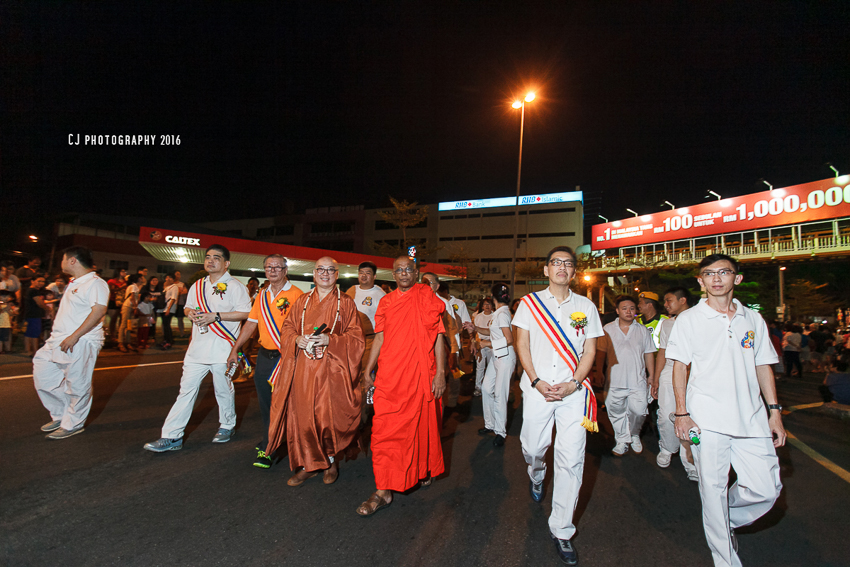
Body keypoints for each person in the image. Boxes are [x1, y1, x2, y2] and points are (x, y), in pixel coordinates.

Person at [666, 254, 785, 567]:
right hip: (707, 419)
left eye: (724, 272)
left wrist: (774, 413)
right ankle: (725, 559)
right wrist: (681, 412)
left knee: (766, 489)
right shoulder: (689, 319)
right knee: (713, 490)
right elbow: (680, 367)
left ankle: (725, 519)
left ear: (738, 278)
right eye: (709, 273)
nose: (716, 278)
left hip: (752, 418)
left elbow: (763, 366)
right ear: (700, 281)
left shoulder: (753, 319)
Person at [513, 246, 603, 565]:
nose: (562, 267)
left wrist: (574, 383)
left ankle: (562, 530)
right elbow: (521, 343)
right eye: (556, 262)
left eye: (568, 263)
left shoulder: (586, 307)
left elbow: (590, 351)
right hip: (538, 388)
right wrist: (536, 380)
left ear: (574, 272)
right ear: (546, 270)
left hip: (573, 392)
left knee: (571, 460)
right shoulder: (529, 304)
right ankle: (537, 474)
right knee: (534, 447)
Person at [356, 256, 447, 516]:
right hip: (390, 377)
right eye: (399, 270)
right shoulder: (386, 301)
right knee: (383, 432)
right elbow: (380, 337)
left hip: (420, 375)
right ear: (393, 275)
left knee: (418, 429)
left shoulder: (427, 297)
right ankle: (383, 489)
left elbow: (438, 336)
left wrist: (440, 373)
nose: (404, 273)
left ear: (416, 272)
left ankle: (412, 473)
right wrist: (367, 369)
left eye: (408, 269)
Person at [266, 256, 364, 485]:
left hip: (332, 370)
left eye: (331, 270)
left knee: (327, 418)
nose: (325, 273)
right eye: (321, 269)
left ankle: (330, 463)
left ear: (337, 275)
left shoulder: (345, 303)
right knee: (303, 417)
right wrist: (296, 338)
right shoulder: (302, 301)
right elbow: (287, 328)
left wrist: (330, 340)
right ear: (314, 273)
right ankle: (308, 465)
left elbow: (356, 338)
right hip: (304, 370)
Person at [143, 245, 251, 452]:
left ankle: (227, 425)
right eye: (208, 257)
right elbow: (187, 307)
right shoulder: (198, 285)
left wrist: (216, 316)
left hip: (223, 347)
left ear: (226, 263)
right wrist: (190, 313)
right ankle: (171, 436)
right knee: (185, 392)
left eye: (216, 258)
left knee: (223, 389)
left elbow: (246, 313)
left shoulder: (235, 286)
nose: (210, 261)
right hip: (196, 349)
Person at [226, 254, 302, 468]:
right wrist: (235, 349)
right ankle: (270, 442)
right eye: (269, 267)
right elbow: (251, 324)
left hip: (286, 358)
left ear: (285, 270)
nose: (273, 270)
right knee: (266, 404)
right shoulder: (261, 295)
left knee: (287, 403)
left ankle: (282, 446)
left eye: (278, 267)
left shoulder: (297, 295)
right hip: (264, 357)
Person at [32, 246, 109, 439]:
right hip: (57, 339)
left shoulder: (95, 283)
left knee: (77, 384)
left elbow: (98, 311)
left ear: (72, 260)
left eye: (63, 259)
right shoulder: (75, 282)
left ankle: (73, 423)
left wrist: (75, 336)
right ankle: (60, 414)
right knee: (43, 376)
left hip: (80, 340)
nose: (62, 263)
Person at [596, 295, 656, 456]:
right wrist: (599, 371)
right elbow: (601, 352)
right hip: (614, 379)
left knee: (640, 411)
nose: (628, 312)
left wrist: (652, 375)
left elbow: (649, 353)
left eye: (631, 308)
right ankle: (622, 439)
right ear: (617, 311)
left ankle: (634, 433)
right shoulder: (607, 329)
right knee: (615, 411)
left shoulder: (642, 330)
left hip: (638, 379)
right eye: (624, 308)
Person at [652, 286, 697, 479]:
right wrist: (655, 378)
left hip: (694, 371)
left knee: (692, 416)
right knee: (664, 414)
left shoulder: (699, 320)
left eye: (669, 300)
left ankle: (691, 461)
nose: (665, 304)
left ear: (683, 300)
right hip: (670, 370)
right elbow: (662, 351)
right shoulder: (667, 324)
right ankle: (667, 448)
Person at [345, 261, 386, 424]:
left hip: (370, 340)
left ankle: (363, 415)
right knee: (349, 377)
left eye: (368, 273)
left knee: (365, 377)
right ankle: (351, 411)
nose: (364, 275)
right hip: (350, 341)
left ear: (374, 276)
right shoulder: (351, 290)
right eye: (361, 272)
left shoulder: (380, 294)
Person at [478, 284, 515, 447]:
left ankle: (500, 431)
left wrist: (487, 343)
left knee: (500, 395)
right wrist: (475, 328)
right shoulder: (498, 313)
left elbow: (509, 339)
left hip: (505, 358)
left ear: (493, 298)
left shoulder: (503, 314)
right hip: (497, 357)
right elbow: (491, 331)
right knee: (486, 388)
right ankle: (490, 424)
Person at [472, 298, 495, 397]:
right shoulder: (478, 317)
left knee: (492, 366)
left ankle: (491, 387)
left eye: (489, 304)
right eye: (485, 304)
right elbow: (474, 332)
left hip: (491, 344)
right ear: (482, 306)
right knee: (480, 366)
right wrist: (474, 344)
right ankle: (478, 387)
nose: (487, 306)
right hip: (480, 344)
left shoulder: (495, 316)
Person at [118, 274, 144, 352]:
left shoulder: (135, 286)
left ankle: (128, 342)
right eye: (141, 277)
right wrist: (135, 307)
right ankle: (120, 343)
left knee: (128, 325)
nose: (142, 279)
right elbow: (132, 297)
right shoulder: (133, 286)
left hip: (130, 306)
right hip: (128, 306)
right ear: (138, 278)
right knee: (123, 324)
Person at [24, 275, 48, 355]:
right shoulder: (34, 291)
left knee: (29, 333)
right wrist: (47, 309)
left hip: (30, 314)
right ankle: (35, 351)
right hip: (34, 314)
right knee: (35, 333)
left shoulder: (30, 290)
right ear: (32, 281)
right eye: (39, 281)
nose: (41, 283)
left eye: (43, 281)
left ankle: (28, 350)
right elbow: (39, 303)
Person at [106, 269, 128, 339]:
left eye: (125, 272)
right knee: (113, 319)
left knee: (122, 319)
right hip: (113, 301)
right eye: (123, 271)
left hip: (123, 301)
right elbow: (111, 290)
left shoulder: (126, 281)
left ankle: (120, 335)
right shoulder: (112, 281)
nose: (124, 273)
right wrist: (122, 287)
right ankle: (112, 335)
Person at [159, 273, 179, 349]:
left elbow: (173, 298)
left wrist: (169, 309)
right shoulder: (166, 287)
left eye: (170, 277)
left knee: (167, 325)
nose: (168, 279)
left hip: (169, 308)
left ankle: (169, 341)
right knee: (164, 325)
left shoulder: (174, 287)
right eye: (167, 277)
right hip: (163, 308)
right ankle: (166, 340)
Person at [173, 270, 189, 337]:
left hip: (180, 303)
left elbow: (185, 291)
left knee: (180, 318)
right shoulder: (172, 284)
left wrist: (178, 292)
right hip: (173, 304)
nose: (178, 276)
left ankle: (182, 332)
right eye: (176, 274)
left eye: (179, 274)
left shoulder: (182, 284)